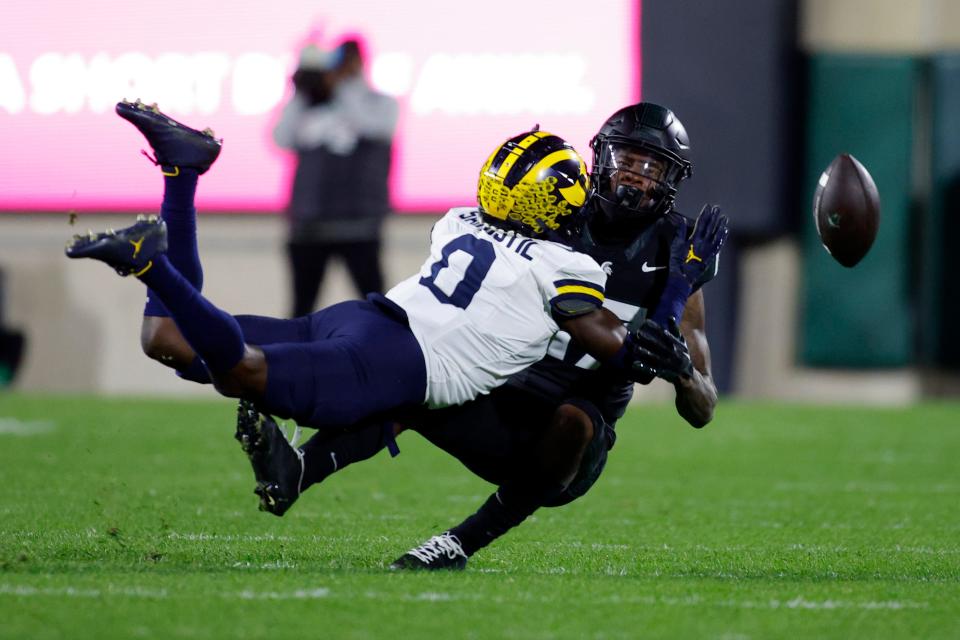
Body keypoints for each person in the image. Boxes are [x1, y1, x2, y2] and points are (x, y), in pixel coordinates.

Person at [234, 103, 729, 570]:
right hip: (494, 392)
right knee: (420, 370)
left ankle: (458, 543)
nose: (634, 178)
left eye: (652, 169)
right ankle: (299, 471)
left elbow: (703, 408)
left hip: (563, 443)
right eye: (627, 160)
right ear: (601, 158)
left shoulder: (679, 254)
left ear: (671, 183)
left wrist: (684, 371)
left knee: (576, 418)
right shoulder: (551, 209)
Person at [65, 101, 726, 447]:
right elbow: (624, 353)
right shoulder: (567, 267)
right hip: (393, 355)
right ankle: (155, 249)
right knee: (232, 367)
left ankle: (180, 177)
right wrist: (677, 286)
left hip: (377, 318)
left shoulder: (460, 219)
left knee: (168, 340)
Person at [273, 39, 398, 317]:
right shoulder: (308, 105)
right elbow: (281, 138)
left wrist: (340, 87)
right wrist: (302, 88)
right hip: (309, 225)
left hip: (359, 224)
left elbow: (377, 129)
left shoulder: (380, 104)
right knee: (300, 311)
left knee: (378, 309)